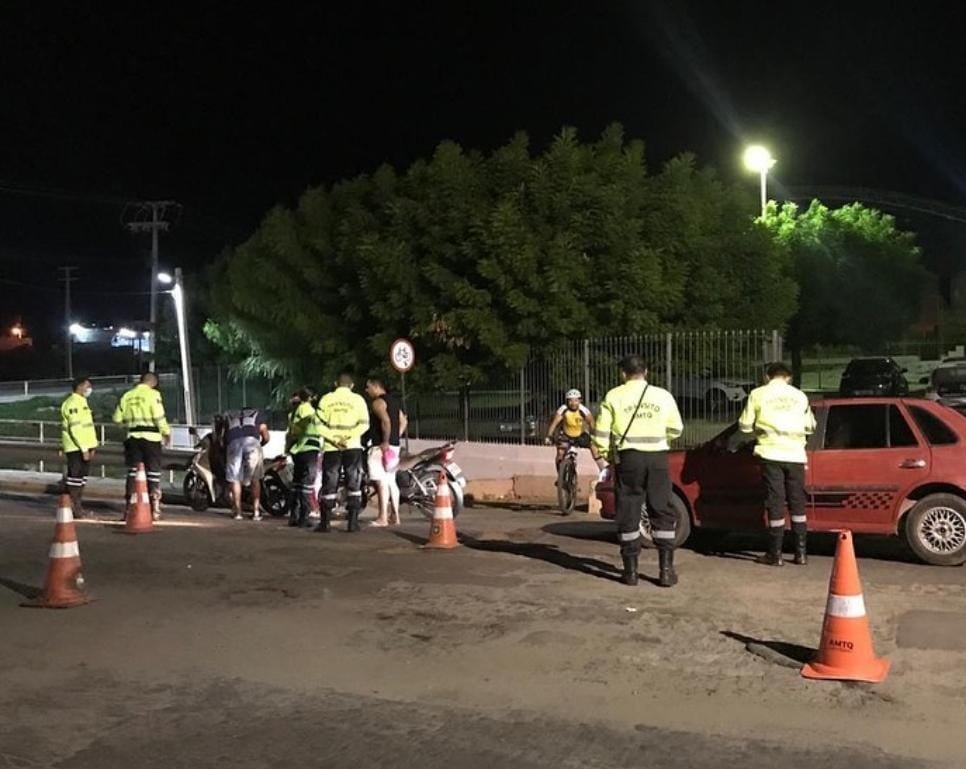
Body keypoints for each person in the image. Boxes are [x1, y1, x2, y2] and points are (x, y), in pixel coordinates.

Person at [593, 356, 684, 588]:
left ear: (623, 374)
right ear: (646, 372)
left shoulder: (614, 396)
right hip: (657, 458)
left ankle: (631, 572)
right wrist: (660, 439)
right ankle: (666, 571)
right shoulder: (663, 395)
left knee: (629, 508)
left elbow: (601, 433)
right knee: (661, 507)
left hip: (629, 458)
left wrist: (605, 453)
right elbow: (676, 429)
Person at [737, 362, 816, 567]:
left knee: (776, 501)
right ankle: (801, 553)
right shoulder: (800, 396)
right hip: (796, 455)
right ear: (789, 377)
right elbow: (810, 426)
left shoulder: (758, 394)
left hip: (771, 453)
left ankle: (775, 553)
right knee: (797, 502)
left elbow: (744, 426)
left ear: (767, 376)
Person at [317, 372, 370, 533]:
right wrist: (348, 437)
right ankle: (352, 523)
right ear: (352, 385)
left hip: (332, 447)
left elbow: (318, 424)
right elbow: (364, 424)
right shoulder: (358, 400)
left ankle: (325, 523)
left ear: (336, 384)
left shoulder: (326, 399)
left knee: (330, 482)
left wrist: (334, 438)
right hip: (352, 446)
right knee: (354, 483)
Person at [113, 372, 170, 520]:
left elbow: (117, 419)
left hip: (132, 438)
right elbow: (158, 416)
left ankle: (129, 508)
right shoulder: (153, 395)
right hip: (151, 438)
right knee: (153, 472)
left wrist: (129, 425)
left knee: (133, 472)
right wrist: (166, 432)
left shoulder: (127, 395)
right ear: (154, 382)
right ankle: (154, 508)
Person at [285, 388, 332, 528]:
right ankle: (303, 518)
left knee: (298, 483)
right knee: (307, 483)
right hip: (308, 448)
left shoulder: (297, 410)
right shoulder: (306, 409)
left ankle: (294, 516)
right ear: (312, 397)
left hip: (299, 449)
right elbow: (309, 426)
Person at [364, 377, 408, 527]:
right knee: (391, 480)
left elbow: (386, 421)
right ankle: (395, 516)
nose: (367, 390)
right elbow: (403, 421)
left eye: (368, 387)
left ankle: (382, 517)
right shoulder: (394, 402)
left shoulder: (378, 402)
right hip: (394, 447)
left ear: (376, 386)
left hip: (380, 447)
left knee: (381, 481)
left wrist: (385, 441)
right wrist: (395, 437)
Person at [544, 388, 607, 475]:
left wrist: (595, 437)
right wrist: (549, 436)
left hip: (580, 435)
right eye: (570, 400)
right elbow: (554, 423)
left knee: (594, 448)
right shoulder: (563, 409)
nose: (573, 403)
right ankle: (560, 475)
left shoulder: (584, 410)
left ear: (580, 401)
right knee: (560, 454)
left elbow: (592, 423)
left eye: (576, 400)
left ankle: (603, 471)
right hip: (566, 435)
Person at [60, 376, 98, 519]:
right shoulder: (72, 403)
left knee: (81, 478)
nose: (89, 389)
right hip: (76, 447)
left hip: (85, 447)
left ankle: (76, 507)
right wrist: (84, 449)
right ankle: (73, 508)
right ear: (80, 386)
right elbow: (75, 429)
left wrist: (92, 446)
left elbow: (87, 428)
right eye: (87, 386)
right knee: (75, 478)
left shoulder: (82, 402)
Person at [225, 406, 270, 521]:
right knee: (255, 478)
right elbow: (265, 435)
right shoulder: (257, 414)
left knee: (235, 479)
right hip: (252, 443)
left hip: (233, 443)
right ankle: (256, 512)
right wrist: (261, 444)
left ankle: (238, 513)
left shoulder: (230, 416)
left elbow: (222, 438)